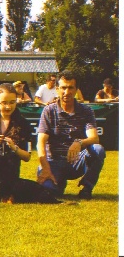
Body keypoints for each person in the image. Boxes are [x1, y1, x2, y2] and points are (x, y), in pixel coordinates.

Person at [37, 69, 105, 200]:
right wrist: (45, 168)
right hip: (54, 161)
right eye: (63, 88)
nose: (66, 92)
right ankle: (58, 182)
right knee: (47, 192)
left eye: (70, 88)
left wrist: (79, 142)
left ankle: (87, 187)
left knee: (98, 150)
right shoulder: (48, 111)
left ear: (76, 90)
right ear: (57, 89)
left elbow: (94, 138)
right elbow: (41, 142)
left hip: (76, 161)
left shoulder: (86, 110)